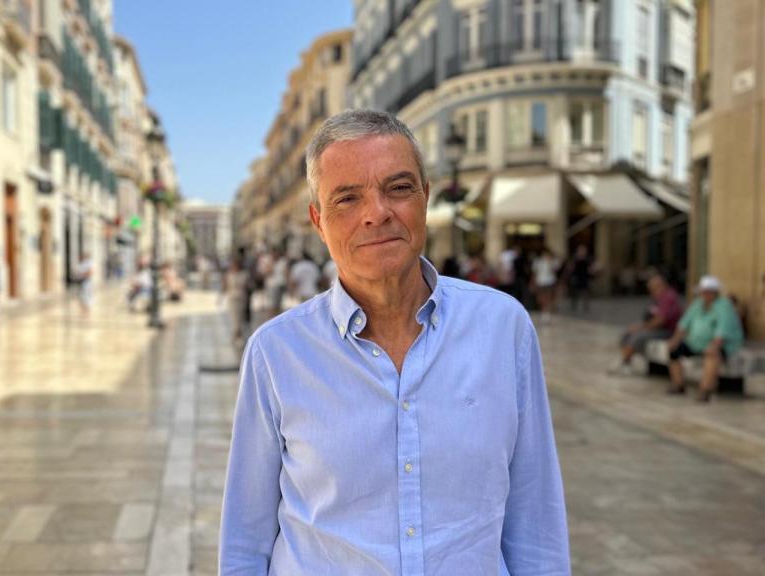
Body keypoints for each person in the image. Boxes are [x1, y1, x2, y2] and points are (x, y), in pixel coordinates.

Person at [220, 110, 569, 574]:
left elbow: (536, 521)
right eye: (347, 198)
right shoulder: (277, 353)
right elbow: (245, 541)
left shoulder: (504, 329)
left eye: (399, 188)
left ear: (425, 198)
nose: (377, 213)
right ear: (318, 220)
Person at [666, 275, 744, 402]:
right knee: (673, 350)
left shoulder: (724, 306)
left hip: (722, 344)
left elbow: (723, 330)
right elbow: (684, 324)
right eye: (704, 291)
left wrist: (714, 345)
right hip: (696, 343)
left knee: (712, 354)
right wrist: (675, 339)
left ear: (715, 292)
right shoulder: (698, 304)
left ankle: (705, 390)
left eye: (709, 291)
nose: (706, 294)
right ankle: (678, 384)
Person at [609, 272, 683, 375]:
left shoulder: (668, 297)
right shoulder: (659, 297)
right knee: (627, 333)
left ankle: (625, 362)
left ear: (661, 285)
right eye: (650, 289)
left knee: (636, 336)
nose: (651, 292)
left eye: (653, 288)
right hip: (658, 328)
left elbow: (660, 320)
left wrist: (642, 328)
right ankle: (627, 362)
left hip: (668, 331)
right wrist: (640, 326)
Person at [565, 244, 597, 312]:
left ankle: (586, 306)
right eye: (580, 250)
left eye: (583, 250)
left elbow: (591, 268)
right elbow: (570, 267)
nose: (582, 252)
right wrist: (570, 273)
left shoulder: (588, 259)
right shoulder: (574, 258)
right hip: (576, 276)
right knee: (575, 292)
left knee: (586, 291)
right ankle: (574, 304)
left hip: (585, 277)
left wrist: (592, 272)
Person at [531, 246, 560, 323]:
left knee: (548, 298)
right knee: (540, 298)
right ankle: (543, 311)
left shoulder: (553, 261)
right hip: (540, 282)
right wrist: (532, 283)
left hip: (550, 282)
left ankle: (547, 314)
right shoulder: (538, 261)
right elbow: (534, 273)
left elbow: (555, 271)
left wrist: (550, 263)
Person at [74, 252, 94, 317]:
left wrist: (82, 274)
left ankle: (87, 309)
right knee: (81, 296)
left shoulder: (88, 263)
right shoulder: (80, 264)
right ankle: (83, 309)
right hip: (81, 282)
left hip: (86, 282)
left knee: (86, 295)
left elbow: (90, 272)